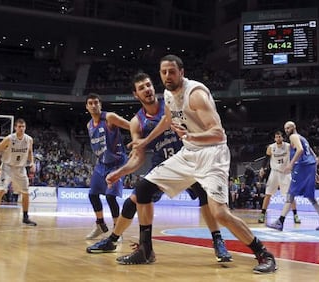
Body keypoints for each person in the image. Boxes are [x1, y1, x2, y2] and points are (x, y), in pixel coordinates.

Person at [111, 55, 276, 274]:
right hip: (189, 153)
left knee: (220, 214)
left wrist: (191, 137)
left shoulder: (196, 95)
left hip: (212, 154)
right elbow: (167, 120)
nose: (167, 76)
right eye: (163, 72)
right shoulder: (169, 94)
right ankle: (146, 250)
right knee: (143, 189)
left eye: (171, 71)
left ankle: (263, 253)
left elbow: (218, 134)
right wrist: (145, 141)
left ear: (181, 72)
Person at [87, 72, 232, 263]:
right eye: (141, 88)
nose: (147, 89)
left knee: (205, 197)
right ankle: (113, 241)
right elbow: (138, 158)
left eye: (148, 85)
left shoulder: (172, 104)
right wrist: (120, 172)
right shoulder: (137, 122)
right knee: (133, 201)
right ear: (135, 94)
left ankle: (217, 241)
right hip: (164, 167)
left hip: (189, 160)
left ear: (153, 88)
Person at [267, 121, 319, 231]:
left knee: (291, 194)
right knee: (310, 197)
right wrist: (314, 173)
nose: (286, 130)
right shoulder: (303, 138)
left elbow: (300, 150)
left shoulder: (293, 136)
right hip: (309, 167)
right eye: (285, 128)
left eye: (288, 128)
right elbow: (314, 156)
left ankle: (280, 222)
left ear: (293, 127)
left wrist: (291, 164)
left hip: (302, 167)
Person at [84, 93, 130, 239]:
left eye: (96, 102)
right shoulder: (89, 125)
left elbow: (131, 126)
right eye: (90, 103)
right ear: (87, 106)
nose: (93, 105)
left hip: (117, 163)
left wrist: (138, 142)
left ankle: (118, 230)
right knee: (92, 195)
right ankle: (100, 224)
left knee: (110, 197)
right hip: (101, 163)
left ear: (100, 104)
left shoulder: (110, 117)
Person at [0, 118, 37, 227]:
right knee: (1, 191)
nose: (21, 129)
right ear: (15, 128)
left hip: (20, 168)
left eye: (23, 127)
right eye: (19, 127)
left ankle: (25, 217)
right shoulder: (9, 139)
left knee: (26, 193)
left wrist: (32, 162)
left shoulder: (29, 139)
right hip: (7, 168)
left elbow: (30, 152)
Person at [257, 131, 301, 224]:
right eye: (276, 137)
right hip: (274, 173)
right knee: (268, 194)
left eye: (279, 137)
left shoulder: (288, 146)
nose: (278, 138)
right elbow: (266, 159)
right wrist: (262, 168)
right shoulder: (271, 147)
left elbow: (298, 150)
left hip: (286, 173)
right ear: (274, 138)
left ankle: (295, 215)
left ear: (282, 138)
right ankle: (262, 214)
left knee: (290, 195)